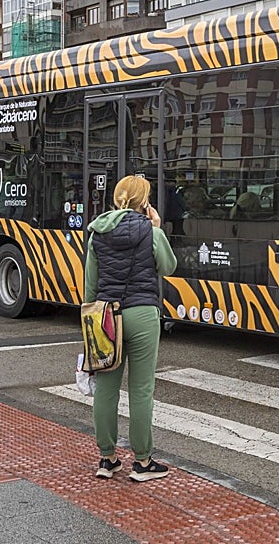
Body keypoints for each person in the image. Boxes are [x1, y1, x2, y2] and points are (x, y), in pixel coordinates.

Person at [85, 175, 177, 482]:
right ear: (144, 203)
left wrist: (92, 322)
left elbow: (90, 287)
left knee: (106, 390)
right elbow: (168, 267)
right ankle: (142, 463)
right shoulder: (150, 231)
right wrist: (157, 228)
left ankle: (107, 459)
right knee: (141, 390)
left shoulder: (96, 233)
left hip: (107, 316)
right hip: (143, 314)